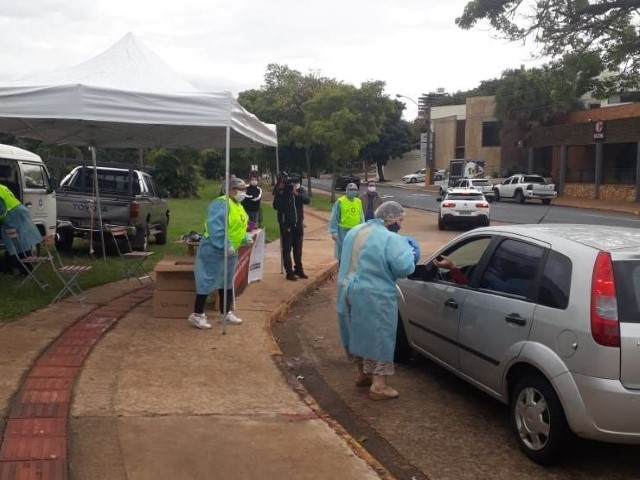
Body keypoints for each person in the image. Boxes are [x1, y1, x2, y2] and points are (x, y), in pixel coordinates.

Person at [336, 201, 416, 401]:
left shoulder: (355, 230)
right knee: (379, 335)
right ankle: (379, 386)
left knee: (356, 332)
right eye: (400, 220)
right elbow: (404, 267)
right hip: (375, 295)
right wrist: (411, 251)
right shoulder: (390, 238)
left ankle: (362, 374)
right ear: (393, 219)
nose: (400, 225)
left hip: (347, 290)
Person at [188, 177, 254, 330]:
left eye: (245, 189)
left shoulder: (237, 205)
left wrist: (244, 237)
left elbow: (237, 226)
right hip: (214, 249)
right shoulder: (220, 204)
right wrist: (225, 245)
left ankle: (226, 312)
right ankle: (197, 315)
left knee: (226, 282)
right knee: (207, 280)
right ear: (230, 189)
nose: (244, 192)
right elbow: (215, 227)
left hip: (231, 251)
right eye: (240, 189)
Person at [272, 174, 310, 281]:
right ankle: (289, 272)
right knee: (287, 249)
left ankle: (299, 269)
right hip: (286, 225)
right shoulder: (282, 192)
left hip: (298, 225)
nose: (293, 185)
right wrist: (280, 192)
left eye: (296, 182)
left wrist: (296, 194)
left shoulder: (300, 190)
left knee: (298, 249)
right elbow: (276, 206)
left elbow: (307, 200)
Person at [0, 182, 42, 276]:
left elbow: (2, 211)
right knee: (20, 241)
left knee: (15, 242)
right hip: (20, 210)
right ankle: (12, 267)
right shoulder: (2, 187)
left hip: (12, 215)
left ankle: (23, 269)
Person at [329, 183, 364, 261]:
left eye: (355, 190)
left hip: (355, 232)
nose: (353, 191)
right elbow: (334, 217)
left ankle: (352, 271)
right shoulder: (340, 201)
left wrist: (362, 229)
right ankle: (342, 270)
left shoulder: (358, 201)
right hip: (343, 232)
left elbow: (361, 217)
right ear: (346, 191)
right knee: (343, 252)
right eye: (351, 190)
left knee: (354, 252)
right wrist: (334, 231)